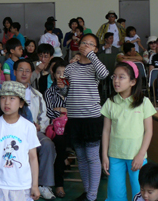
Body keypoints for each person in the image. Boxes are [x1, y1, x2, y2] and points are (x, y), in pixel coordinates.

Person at [101, 61, 155, 201]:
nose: (116, 81)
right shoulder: (110, 102)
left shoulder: (144, 102)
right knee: (115, 194)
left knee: (141, 193)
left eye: (121, 77)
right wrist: (105, 156)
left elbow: (149, 131)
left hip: (137, 156)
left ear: (132, 82)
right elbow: (106, 131)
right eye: (114, 77)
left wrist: (141, 155)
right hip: (114, 156)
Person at [64, 34, 109, 201]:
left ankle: (92, 196)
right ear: (78, 44)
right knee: (81, 158)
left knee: (92, 157)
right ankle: (88, 191)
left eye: (91, 45)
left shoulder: (95, 67)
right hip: (74, 118)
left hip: (91, 117)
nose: (87, 46)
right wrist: (61, 87)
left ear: (96, 49)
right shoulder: (70, 68)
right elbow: (66, 91)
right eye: (84, 43)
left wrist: (91, 55)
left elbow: (104, 74)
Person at [0, 81, 41, 201]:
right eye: (3, 98)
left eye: (12, 98)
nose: (7, 102)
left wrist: (34, 185)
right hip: (0, 184)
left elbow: (33, 157)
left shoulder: (28, 127)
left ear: (21, 103)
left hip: (23, 185)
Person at [14, 59, 56, 200]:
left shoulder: (37, 95)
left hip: (33, 133)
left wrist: (40, 127)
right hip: (11, 133)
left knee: (47, 144)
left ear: (31, 73)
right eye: (21, 70)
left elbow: (44, 118)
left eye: (27, 70)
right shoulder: (6, 92)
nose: (24, 73)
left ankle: (44, 184)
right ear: (14, 72)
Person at [43, 61, 69, 198]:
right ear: (53, 75)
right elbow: (49, 112)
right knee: (59, 143)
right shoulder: (49, 92)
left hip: (72, 126)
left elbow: (77, 110)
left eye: (64, 73)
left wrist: (60, 110)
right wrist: (65, 111)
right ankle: (59, 184)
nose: (61, 76)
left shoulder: (73, 90)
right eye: (58, 73)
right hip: (57, 128)